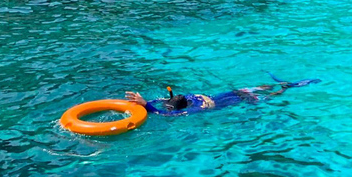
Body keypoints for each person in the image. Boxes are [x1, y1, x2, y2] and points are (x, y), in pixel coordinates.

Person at [125, 73, 321, 116]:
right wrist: (144, 104)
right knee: (256, 93)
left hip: (230, 97)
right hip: (229, 97)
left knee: (257, 93)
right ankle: (284, 86)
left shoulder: (185, 106)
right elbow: (162, 106)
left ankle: (283, 87)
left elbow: (160, 108)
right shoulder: (190, 103)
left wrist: (145, 103)